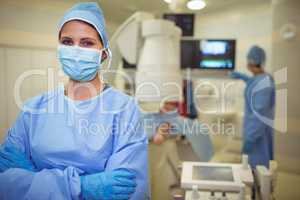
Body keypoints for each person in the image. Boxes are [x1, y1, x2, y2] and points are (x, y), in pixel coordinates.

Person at [0, 2, 149, 200]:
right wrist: (80, 187)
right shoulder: (33, 109)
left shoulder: (123, 109)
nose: (76, 50)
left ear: (103, 53)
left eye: (87, 43)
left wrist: (34, 182)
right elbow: (5, 185)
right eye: (67, 42)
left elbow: (127, 189)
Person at [230, 45, 275, 169]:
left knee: (258, 170)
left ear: (251, 62)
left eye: (249, 60)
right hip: (254, 130)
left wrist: (250, 138)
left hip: (257, 135)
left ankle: (259, 188)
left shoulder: (264, 84)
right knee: (250, 168)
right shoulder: (261, 78)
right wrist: (246, 78)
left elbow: (259, 114)